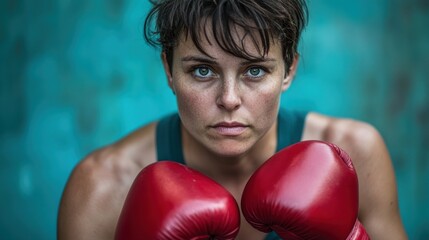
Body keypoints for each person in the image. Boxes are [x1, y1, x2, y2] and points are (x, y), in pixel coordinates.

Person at [57, 0, 408, 239]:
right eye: (202, 70)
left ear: (289, 70)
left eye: (254, 70)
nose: (229, 99)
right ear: (168, 70)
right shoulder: (103, 189)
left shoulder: (355, 155)